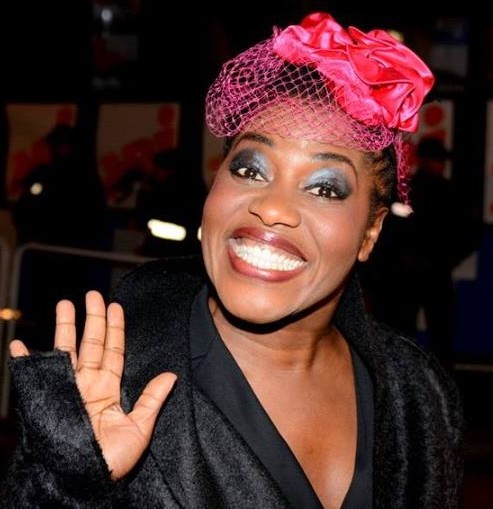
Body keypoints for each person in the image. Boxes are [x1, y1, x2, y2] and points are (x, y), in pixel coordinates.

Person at [2, 12, 463, 509]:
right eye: (250, 169)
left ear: (370, 233)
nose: (273, 207)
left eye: (325, 188)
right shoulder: (112, 384)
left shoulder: (417, 395)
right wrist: (73, 482)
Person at [361, 137, 478, 366]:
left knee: (434, 332)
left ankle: (430, 376)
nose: (438, 165)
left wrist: (444, 260)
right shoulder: (408, 190)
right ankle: (415, 375)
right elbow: (387, 229)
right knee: (409, 330)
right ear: (423, 160)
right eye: (435, 159)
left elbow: (468, 233)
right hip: (410, 272)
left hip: (427, 271)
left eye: (440, 160)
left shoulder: (445, 192)